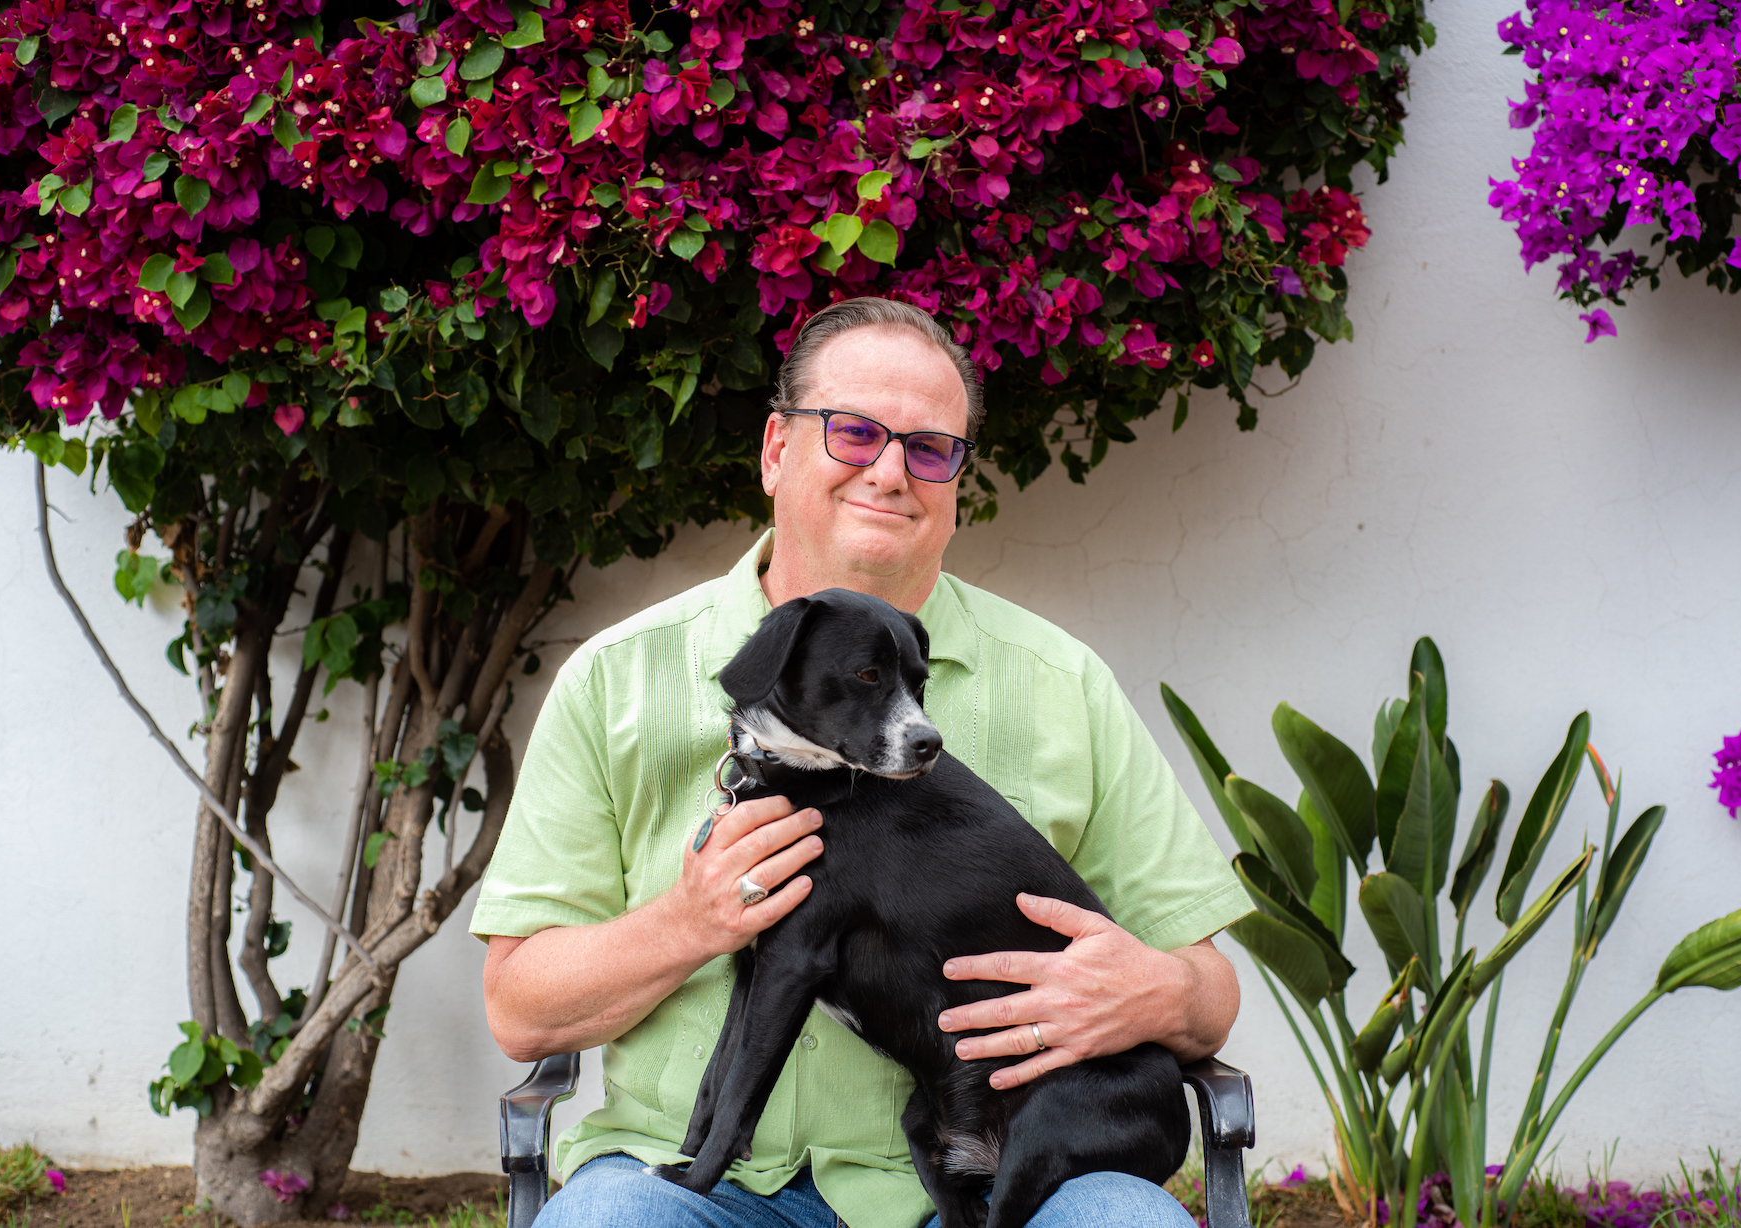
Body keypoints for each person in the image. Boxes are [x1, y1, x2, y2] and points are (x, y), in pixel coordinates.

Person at [473, 297, 1252, 1228]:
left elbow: (1210, 998)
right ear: (775, 451)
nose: (891, 471)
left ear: (956, 482)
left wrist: (1152, 989)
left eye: (930, 448)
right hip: (685, 1184)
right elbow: (521, 1011)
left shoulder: (1063, 683)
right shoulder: (615, 678)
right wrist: (688, 921)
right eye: (853, 433)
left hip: (1004, 1174)